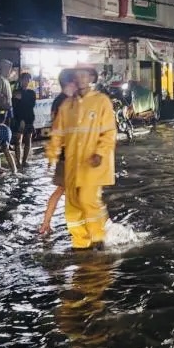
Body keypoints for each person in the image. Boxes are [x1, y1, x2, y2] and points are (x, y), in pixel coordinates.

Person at [45, 68, 116, 250]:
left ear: (91, 78)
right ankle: (80, 243)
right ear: (73, 79)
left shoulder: (101, 102)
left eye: (85, 75)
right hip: (72, 164)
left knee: (87, 199)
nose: (81, 79)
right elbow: (58, 133)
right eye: (78, 75)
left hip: (92, 164)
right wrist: (52, 155)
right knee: (73, 205)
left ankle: (98, 237)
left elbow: (109, 132)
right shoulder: (66, 105)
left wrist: (100, 153)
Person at [40, 70, 78, 235]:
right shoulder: (66, 102)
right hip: (68, 154)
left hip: (64, 153)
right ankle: (47, 224)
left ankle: (46, 224)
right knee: (69, 189)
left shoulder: (59, 101)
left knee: (63, 189)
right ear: (70, 83)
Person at [12, 72, 37, 167]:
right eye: (24, 79)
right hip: (19, 119)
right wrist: (20, 119)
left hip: (29, 118)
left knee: (28, 140)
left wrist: (21, 97)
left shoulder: (31, 92)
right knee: (18, 140)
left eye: (28, 79)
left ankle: (24, 161)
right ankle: (18, 161)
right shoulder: (16, 92)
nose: (26, 81)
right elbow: (15, 107)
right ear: (21, 80)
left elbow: (31, 104)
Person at [0, 59, 14, 124]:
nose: (9, 71)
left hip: (8, 108)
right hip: (2, 108)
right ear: (4, 68)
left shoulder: (6, 80)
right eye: (8, 68)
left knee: (8, 127)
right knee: (1, 126)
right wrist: (4, 100)